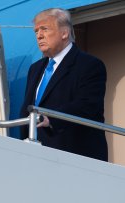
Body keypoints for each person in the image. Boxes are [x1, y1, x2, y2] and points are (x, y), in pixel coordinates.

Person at [20, 8, 108, 161]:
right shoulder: (35, 69)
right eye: (36, 31)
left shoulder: (90, 65)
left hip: (75, 155)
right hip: (35, 155)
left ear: (64, 33)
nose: (39, 35)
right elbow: (27, 110)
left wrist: (51, 118)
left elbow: (88, 106)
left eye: (45, 29)